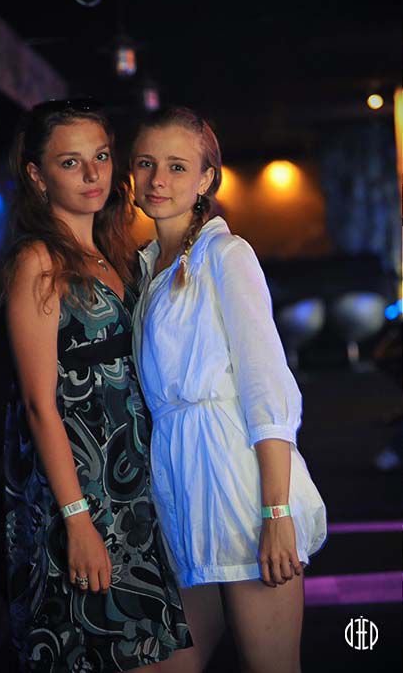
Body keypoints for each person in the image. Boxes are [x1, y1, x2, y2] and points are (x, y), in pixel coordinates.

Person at [130, 107, 327, 673]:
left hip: (238, 488)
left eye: (176, 166)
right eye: (145, 164)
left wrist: (276, 512)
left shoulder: (226, 255)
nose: (158, 180)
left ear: (205, 179)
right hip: (180, 490)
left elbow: (268, 386)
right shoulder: (148, 267)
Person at [1, 99, 192, 672]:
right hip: (83, 494)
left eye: (102, 157)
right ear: (37, 175)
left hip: (133, 488)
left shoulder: (114, 254)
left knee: (155, 651)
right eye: (70, 162)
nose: (92, 174)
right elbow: (38, 405)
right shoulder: (38, 261)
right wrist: (77, 519)